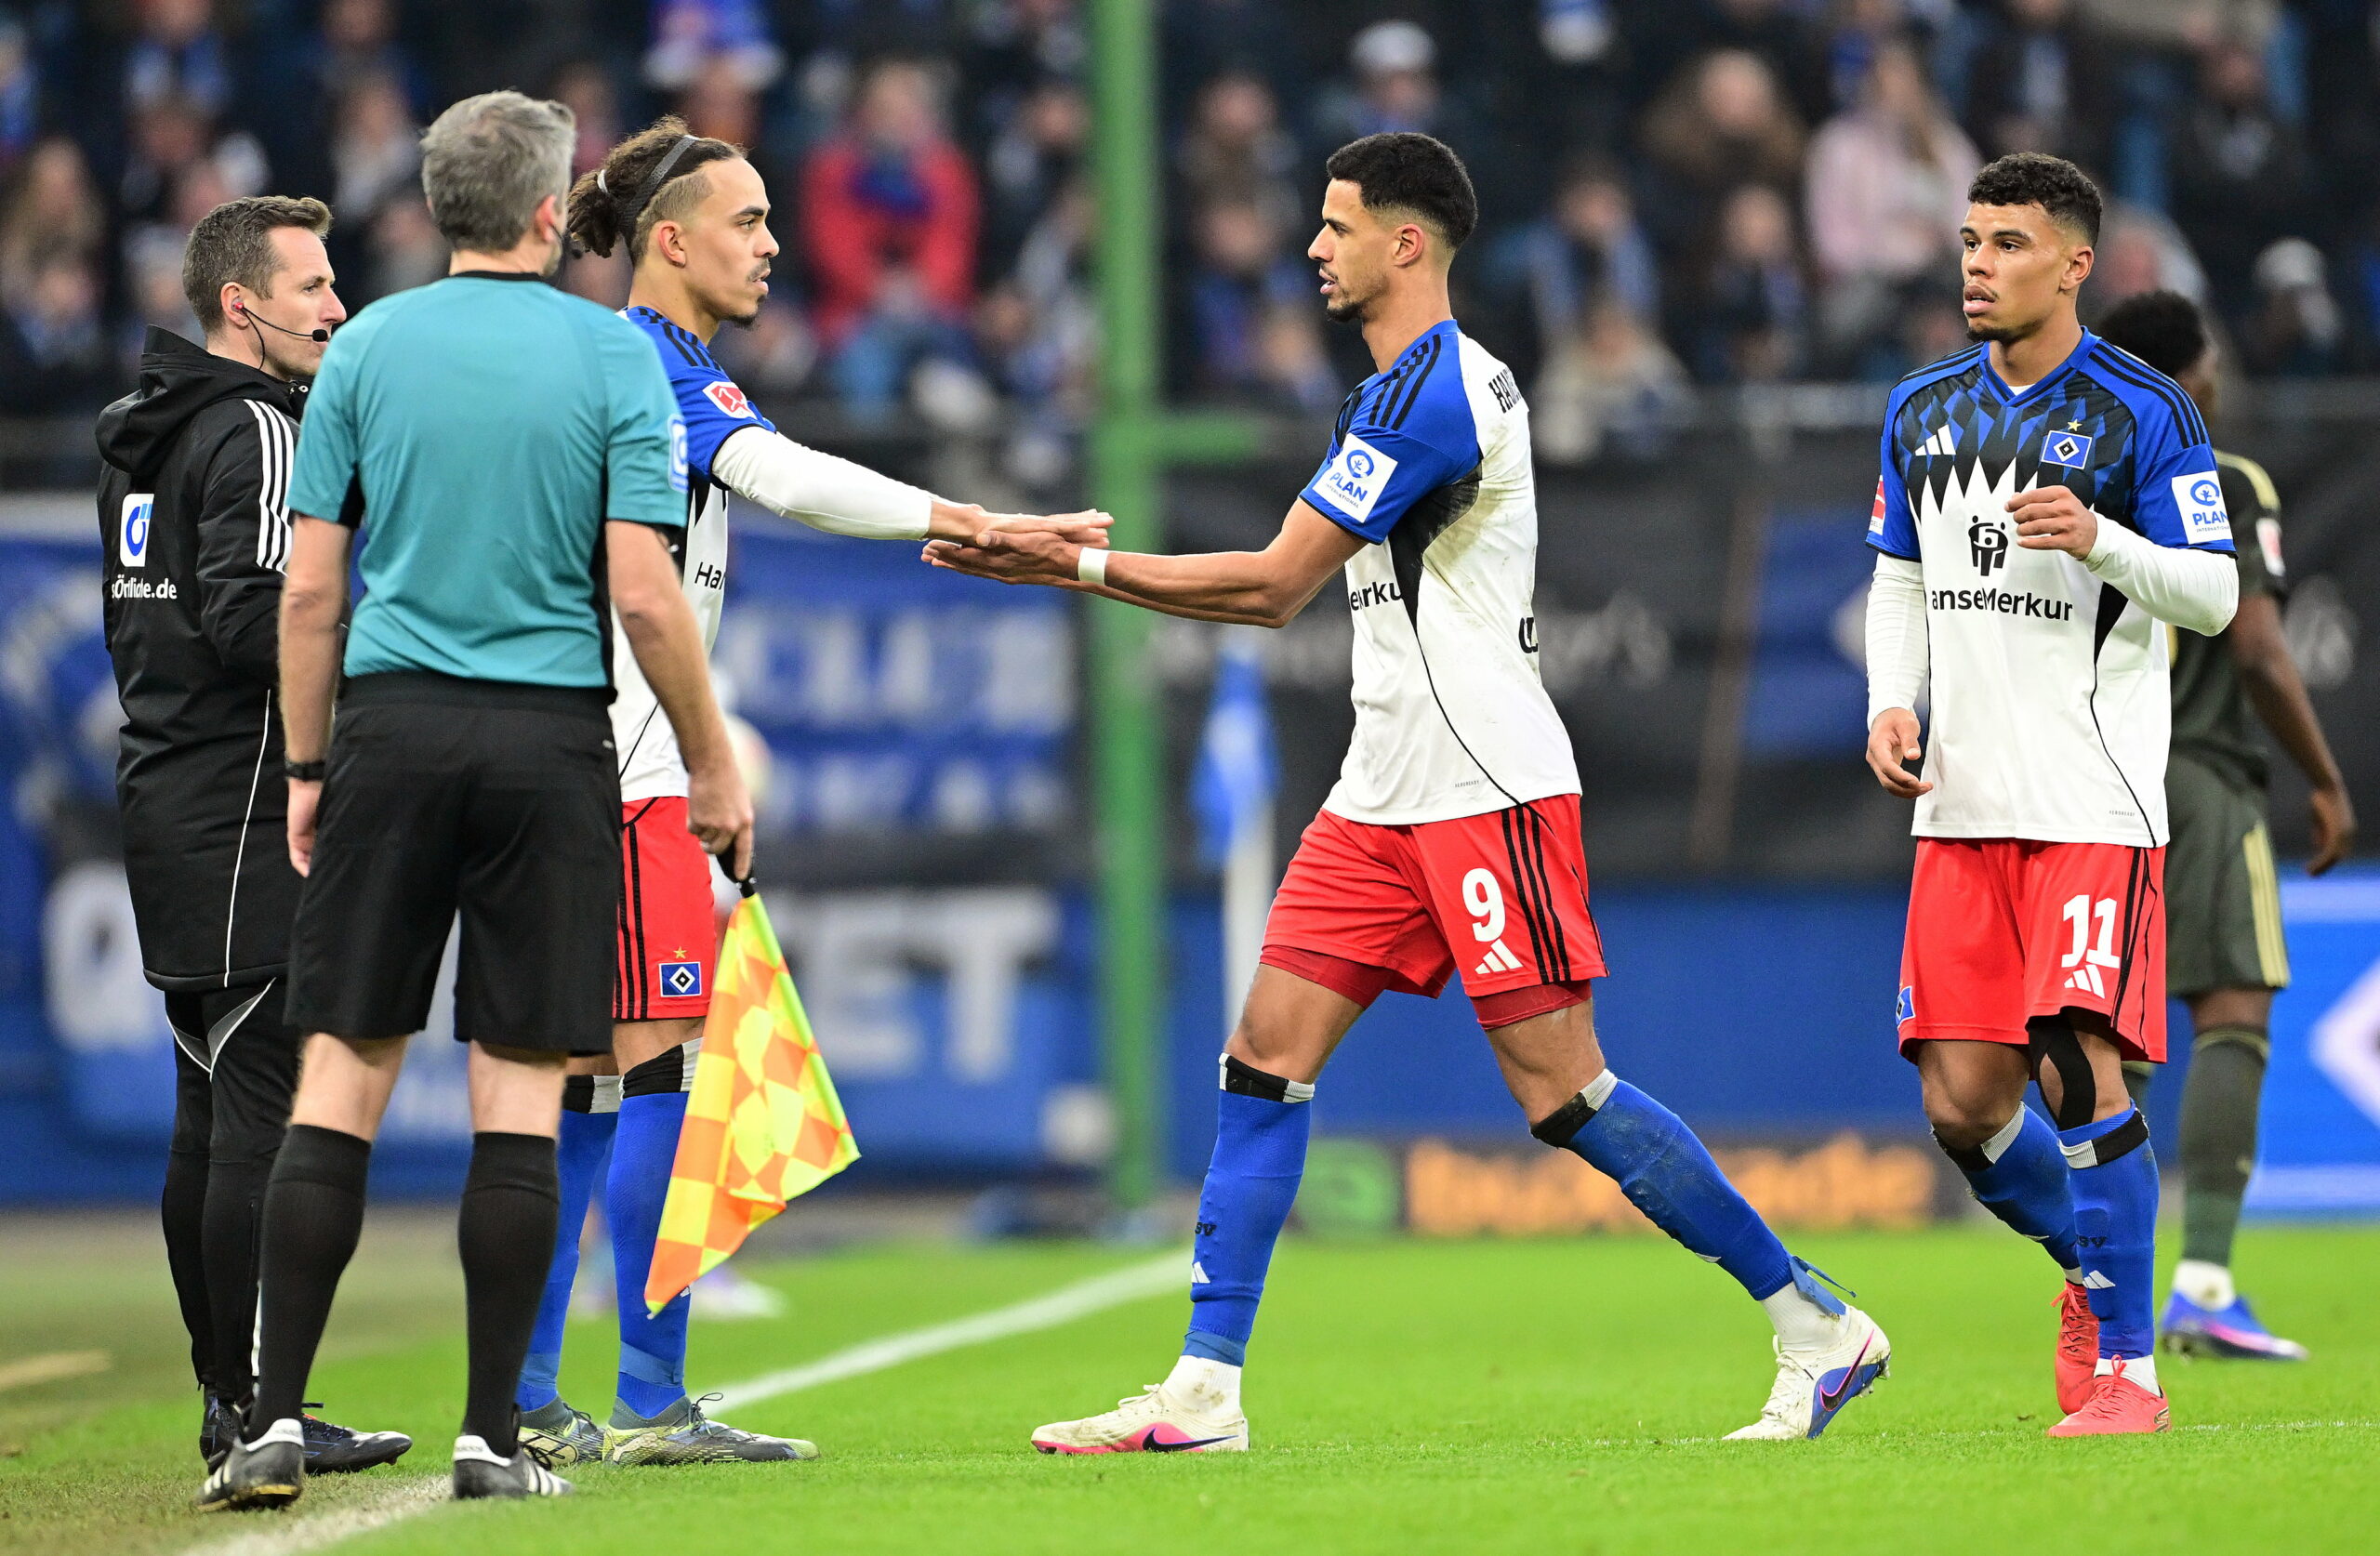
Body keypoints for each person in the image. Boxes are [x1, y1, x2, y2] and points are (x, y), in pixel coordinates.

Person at [930, 132, 1891, 1453]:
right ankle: (1205, 1389)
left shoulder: (1441, 393)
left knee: (1566, 1095)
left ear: (1407, 242)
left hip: (1483, 786)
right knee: (1263, 1056)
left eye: (1336, 227)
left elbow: (1274, 587)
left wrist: (1071, 568)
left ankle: (1817, 1323)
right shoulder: (1387, 392)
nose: (1312, 249)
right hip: (1381, 787)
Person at [505, 115, 1108, 1470]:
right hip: (621, 771)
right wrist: (975, 521)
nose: (775, 245)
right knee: (641, 1068)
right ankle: (626, 1398)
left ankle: (552, 1390)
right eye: (750, 222)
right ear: (671, 241)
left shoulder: (628, 362)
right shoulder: (645, 366)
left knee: (604, 1075)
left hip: (592, 763)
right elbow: (787, 478)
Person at [196, 89, 748, 1510]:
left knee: (342, 1077)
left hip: (388, 728)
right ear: (556, 212)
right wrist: (712, 756)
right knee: (520, 1096)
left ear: (439, 205)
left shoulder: (366, 345)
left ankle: (265, 1421)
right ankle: (490, 1436)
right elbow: (643, 590)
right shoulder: (609, 356)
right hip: (547, 744)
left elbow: (312, 590)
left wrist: (312, 767)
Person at [1861, 153, 2240, 1438]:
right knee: (1965, 1106)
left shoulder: (2147, 414)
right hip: (1961, 803)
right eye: (1970, 240)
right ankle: (2091, 1264)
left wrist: (2104, 539)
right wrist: (1890, 699)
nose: (1978, 262)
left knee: (2079, 1063)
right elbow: (1899, 576)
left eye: (2008, 243)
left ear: (2076, 264)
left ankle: (2131, 1371)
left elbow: (2216, 594)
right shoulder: (1920, 409)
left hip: (2090, 795)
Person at [96, 193, 410, 1478]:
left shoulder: (145, 430)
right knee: (264, 1104)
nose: (336, 311)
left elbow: (151, 615)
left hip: (164, 788)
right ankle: (261, 1412)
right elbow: (249, 616)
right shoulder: (258, 428)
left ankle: (234, 1402)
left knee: (207, 1098)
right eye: (314, 289)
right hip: (241, 799)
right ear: (243, 307)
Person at [2095, 288, 2357, 1360]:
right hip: (2199, 767)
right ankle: (2200, 1281)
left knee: (2122, 1031)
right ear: (2191, 374)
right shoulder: (2221, 477)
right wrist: (2327, 780)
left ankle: (2100, 1289)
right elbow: (2256, 647)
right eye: (2209, 364)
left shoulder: (2085, 478)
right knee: (2231, 1005)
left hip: (2097, 775)